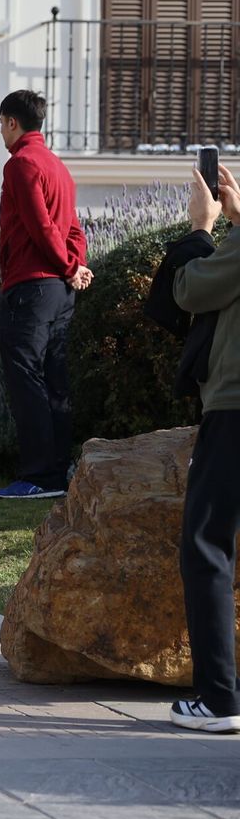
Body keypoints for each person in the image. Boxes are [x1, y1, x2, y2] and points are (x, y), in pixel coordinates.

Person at [0, 89, 91, 500]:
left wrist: (69, 266)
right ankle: (58, 470)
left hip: (31, 286)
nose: (1, 131)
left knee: (27, 377)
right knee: (54, 378)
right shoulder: (57, 166)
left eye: (1, 124)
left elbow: (40, 226)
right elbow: (72, 228)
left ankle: (39, 475)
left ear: (12, 122)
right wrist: (76, 265)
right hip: (59, 290)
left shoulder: (21, 164)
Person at [171, 162, 240, 733]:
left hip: (234, 409)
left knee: (206, 544)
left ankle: (218, 699)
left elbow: (190, 288)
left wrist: (202, 226)